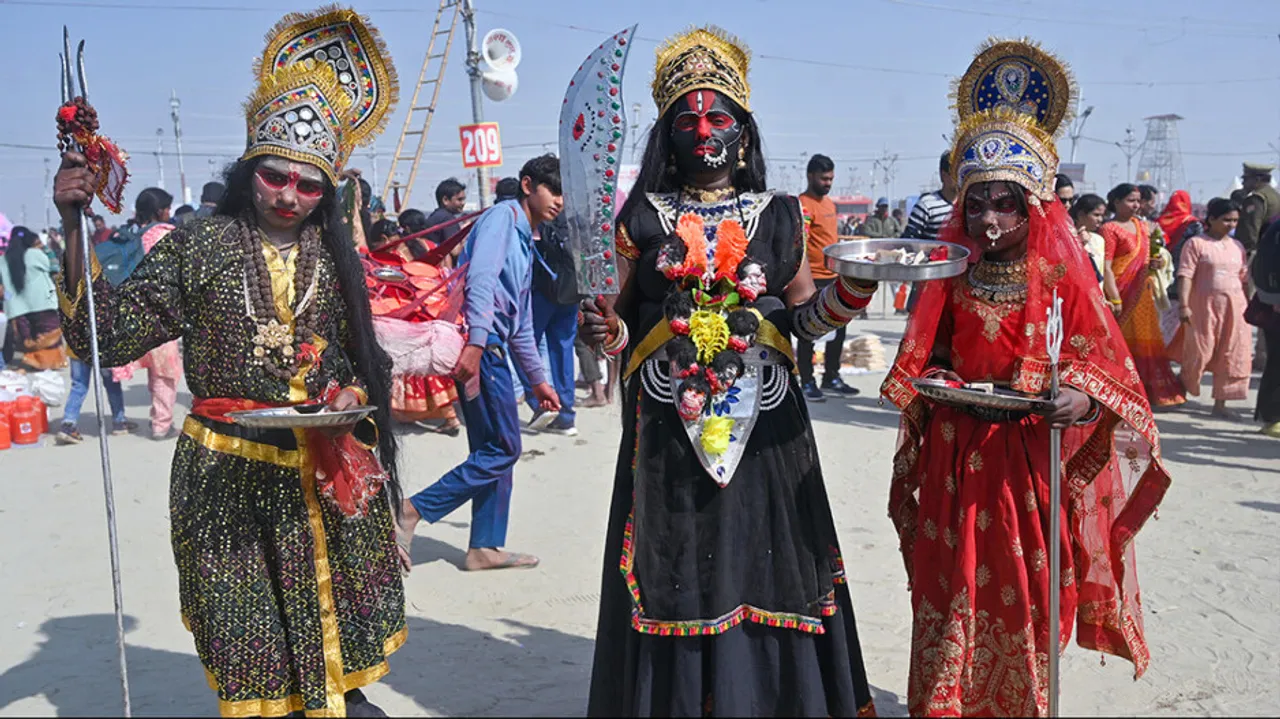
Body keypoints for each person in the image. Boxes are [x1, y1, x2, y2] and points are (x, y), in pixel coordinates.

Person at [53, 8, 404, 716]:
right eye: (276, 177)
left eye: (309, 187)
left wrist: (345, 393)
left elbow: (354, 360)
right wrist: (70, 222)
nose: (289, 197)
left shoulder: (333, 257)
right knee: (256, 659)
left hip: (324, 468)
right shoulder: (198, 247)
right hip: (225, 478)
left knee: (340, 664)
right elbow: (104, 337)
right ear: (250, 169)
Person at [579, 26, 880, 716]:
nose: (704, 130)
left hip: (767, 423)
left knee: (767, 551)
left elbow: (804, 317)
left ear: (743, 131)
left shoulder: (781, 215)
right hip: (667, 422)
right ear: (668, 135)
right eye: (687, 119)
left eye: (719, 117)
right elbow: (618, 323)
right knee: (676, 557)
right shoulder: (641, 216)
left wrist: (854, 293)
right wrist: (605, 329)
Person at [883, 39, 1170, 717]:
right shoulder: (953, 270)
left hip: (1024, 463)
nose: (987, 220)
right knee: (950, 583)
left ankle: (1018, 703)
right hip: (958, 453)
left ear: (1034, 205)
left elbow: (1099, 360)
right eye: (976, 203)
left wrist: (1080, 394)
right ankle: (945, 700)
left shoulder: (1060, 274)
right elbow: (934, 354)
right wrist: (940, 379)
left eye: (1004, 205)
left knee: (1024, 582)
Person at [396, 154, 563, 572]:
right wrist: (475, 344)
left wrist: (537, 380)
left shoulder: (527, 237)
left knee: (492, 447)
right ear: (529, 185)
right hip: (480, 350)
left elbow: (521, 319)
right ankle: (413, 509)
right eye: (554, 190)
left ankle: (484, 546)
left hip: (490, 349)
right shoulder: (502, 220)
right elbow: (482, 281)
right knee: (505, 447)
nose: (560, 201)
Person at [1101, 183, 1186, 407]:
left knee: (1145, 342)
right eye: (1130, 200)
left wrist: (1155, 263)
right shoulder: (1109, 229)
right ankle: (1118, 389)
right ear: (1116, 202)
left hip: (1142, 295)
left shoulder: (1143, 227)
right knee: (1118, 343)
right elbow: (1106, 267)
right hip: (1119, 293)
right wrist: (1115, 298)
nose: (1136, 205)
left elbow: (1145, 261)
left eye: (1138, 201)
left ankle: (1144, 391)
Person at [110, 188, 183, 440]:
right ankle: (161, 424)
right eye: (167, 208)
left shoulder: (128, 235)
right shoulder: (165, 234)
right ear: (159, 210)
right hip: (161, 317)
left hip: (133, 315)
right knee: (165, 373)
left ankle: (157, 418)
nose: (169, 212)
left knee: (155, 369)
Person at [1175, 198, 1251, 418]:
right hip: (1202, 307)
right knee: (1198, 350)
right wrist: (1184, 305)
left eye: (1235, 220)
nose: (1231, 225)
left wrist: (1248, 307)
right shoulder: (1196, 244)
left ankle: (1221, 404)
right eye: (1227, 220)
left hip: (1235, 308)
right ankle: (1180, 392)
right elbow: (1185, 275)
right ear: (1212, 219)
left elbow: (1243, 279)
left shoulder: (1237, 246)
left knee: (1231, 353)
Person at [516, 210, 588, 434]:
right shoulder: (576, 218)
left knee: (522, 346)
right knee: (563, 350)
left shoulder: (535, 217)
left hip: (541, 293)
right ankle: (566, 416)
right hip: (570, 292)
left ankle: (541, 404)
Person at [797, 153, 860, 400]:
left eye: (831, 179)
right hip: (812, 279)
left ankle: (831, 377)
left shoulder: (830, 204)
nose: (828, 183)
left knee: (839, 330)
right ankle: (807, 381)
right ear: (810, 176)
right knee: (808, 333)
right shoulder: (803, 205)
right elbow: (800, 244)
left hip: (834, 277)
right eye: (824, 178)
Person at [0, 226, 65, 370]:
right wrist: (44, 248)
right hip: (43, 305)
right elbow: (54, 267)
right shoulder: (35, 254)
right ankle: (48, 372)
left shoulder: (3, 260)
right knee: (50, 344)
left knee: (30, 345)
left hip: (18, 311)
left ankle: (35, 366)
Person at [902, 151, 958, 313]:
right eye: (955, 173)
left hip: (958, 283)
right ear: (943, 175)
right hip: (928, 281)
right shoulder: (927, 205)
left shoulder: (968, 204)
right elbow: (908, 241)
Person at [1236, 163, 1280, 254]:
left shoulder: (1256, 198)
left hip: (1259, 252)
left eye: (1246, 179)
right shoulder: (1276, 195)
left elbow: (1250, 229)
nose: (1243, 183)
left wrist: (1247, 252)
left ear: (1257, 180)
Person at [1070, 192, 1107, 288]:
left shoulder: (1098, 240)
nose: (1100, 219)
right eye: (1096, 215)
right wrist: (1079, 244)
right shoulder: (1067, 237)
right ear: (1081, 215)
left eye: (1102, 215)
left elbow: (1101, 271)